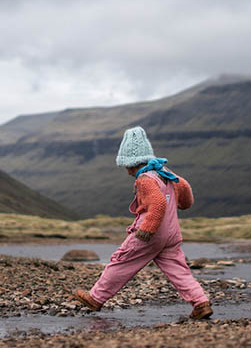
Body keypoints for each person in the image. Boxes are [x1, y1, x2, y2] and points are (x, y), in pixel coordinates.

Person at [72, 126, 212, 319]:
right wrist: (183, 204)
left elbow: (158, 203)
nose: (128, 172)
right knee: (178, 269)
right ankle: (201, 303)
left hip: (151, 234)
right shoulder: (165, 173)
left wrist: (147, 230)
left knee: (121, 261)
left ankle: (95, 298)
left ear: (133, 164)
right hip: (172, 234)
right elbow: (185, 191)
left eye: (127, 166)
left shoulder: (144, 179)